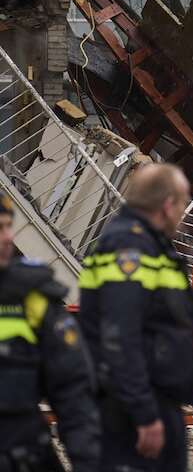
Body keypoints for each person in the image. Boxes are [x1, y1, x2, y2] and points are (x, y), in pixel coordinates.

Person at [80, 163, 193, 471]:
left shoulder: (153, 248)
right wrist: (144, 414)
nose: (183, 212)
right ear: (168, 205)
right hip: (132, 410)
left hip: (153, 402)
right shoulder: (130, 247)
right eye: (183, 203)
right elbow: (120, 337)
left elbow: (156, 323)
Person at [0, 191, 100, 471]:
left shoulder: (31, 297)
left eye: (8, 226)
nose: (9, 237)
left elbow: (73, 390)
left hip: (22, 452)